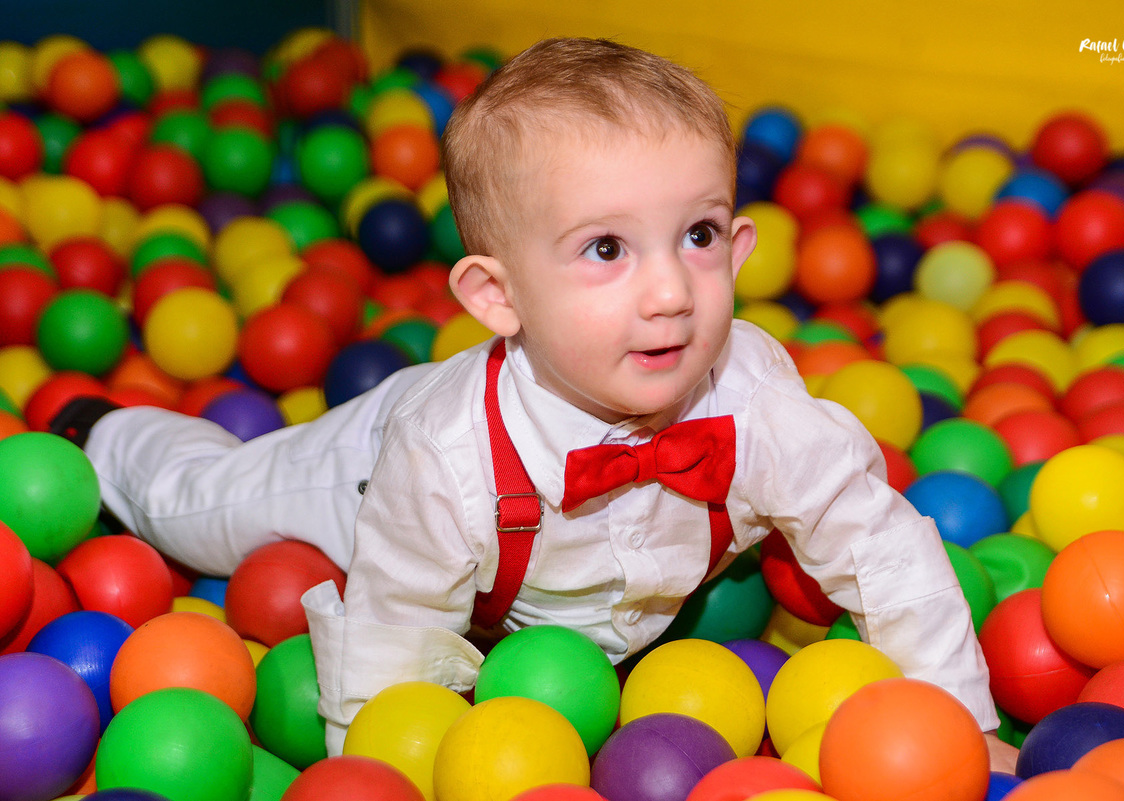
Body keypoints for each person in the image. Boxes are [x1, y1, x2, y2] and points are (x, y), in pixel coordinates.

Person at [69, 37, 1017, 769]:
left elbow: (887, 553)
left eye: (697, 235)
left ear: (740, 247)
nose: (670, 293)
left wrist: (963, 728)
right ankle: (104, 434)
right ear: (497, 295)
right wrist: (392, 767)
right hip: (366, 468)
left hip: (566, 624)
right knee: (207, 508)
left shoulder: (760, 401)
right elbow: (389, 648)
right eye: (606, 249)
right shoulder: (444, 456)